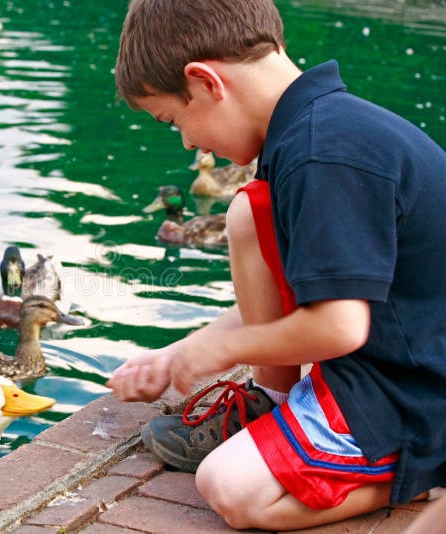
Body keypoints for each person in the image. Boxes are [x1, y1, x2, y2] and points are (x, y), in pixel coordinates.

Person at [106, 0, 446, 530]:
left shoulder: (323, 154)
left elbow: (338, 325)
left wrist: (214, 350)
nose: (189, 142)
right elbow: (309, 299)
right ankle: (276, 403)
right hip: (396, 349)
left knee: (231, 489)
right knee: (249, 212)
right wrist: (176, 354)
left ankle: (419, 469)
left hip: (415, 388)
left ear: (206, 81)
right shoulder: (314, 130)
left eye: (174, 119)